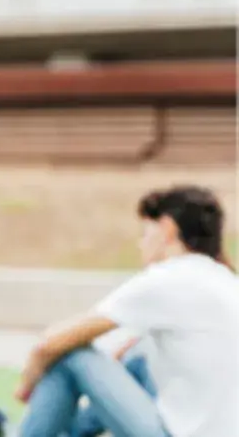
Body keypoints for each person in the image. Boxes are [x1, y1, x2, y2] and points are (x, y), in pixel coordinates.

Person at [14, 184, 239, 437]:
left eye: (145, 232)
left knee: (73, 355)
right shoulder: (225, 281)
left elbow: (51, 343)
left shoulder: (168, 277)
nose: (140, 242)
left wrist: (27, 383)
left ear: (167, 228)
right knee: (135, 358)